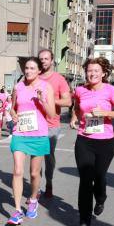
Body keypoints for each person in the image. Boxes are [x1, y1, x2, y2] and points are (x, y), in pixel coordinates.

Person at [70, 57, 114, 226]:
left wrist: (105, 113)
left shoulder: (111, 90)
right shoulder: (80, 90)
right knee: (85, 180)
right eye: (89, 71)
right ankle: (84, 220)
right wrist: (74, 118)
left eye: (96, 71)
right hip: (84, 140)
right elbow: (77, 107)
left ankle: (101, 198)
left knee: (99, 176)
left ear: (103, 73)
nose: (92, 74)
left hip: (105, 142)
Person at [6, 57, 56, 226]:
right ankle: (17, 210)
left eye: (32, 68)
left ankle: (33, 199)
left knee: (34, 173)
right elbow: (13, 108)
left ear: (39, 71)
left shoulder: (46, 87)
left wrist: (42, 100)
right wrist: (13, 114)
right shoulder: (18, 87)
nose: (28, 71)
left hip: (38, 135)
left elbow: (51, 114)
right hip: (20, 133)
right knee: (17, 171)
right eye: (26, 68)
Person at [37, 49, 72, 199]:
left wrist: (49, 100)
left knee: (48, 156)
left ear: (52, 60)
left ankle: (49, 182)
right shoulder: (34, 76)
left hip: (51, 124)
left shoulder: (59, 79)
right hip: (35, 123)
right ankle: (36, 188)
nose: (43, 61)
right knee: (35, 156)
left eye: (46, 58)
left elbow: (68, 101)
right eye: (41, 59)